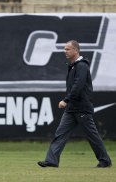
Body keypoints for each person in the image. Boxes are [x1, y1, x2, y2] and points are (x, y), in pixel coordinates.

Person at [37, 40, 112, 168]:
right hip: (72, 109)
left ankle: (105, 160)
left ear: (76, 50)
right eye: (64, 49)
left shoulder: (81, 66)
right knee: (60, 134)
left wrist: (66, 100)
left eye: (68, 49)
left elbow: (78, 86)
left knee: (92, 136)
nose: (65, 51)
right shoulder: (74, 66)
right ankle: (52, 160)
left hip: (82, 108)